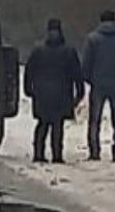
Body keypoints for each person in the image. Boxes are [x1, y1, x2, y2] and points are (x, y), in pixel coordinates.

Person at [24, 19, 84, 164]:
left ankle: (39, 153)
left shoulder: (38, 51)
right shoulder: (69, 51)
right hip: (61, 93)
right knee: (57, 125)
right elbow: (76, 73)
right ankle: (57, 154)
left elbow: (29, 71)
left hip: (42, 93)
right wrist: (79, 92)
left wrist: (28, 89)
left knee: (42, 124)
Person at [83, 10, 115, 162]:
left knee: (94, 120)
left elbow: (86, 64)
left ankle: (94, 151)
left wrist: (90, 79)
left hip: (98, 85)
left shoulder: (92, 39)